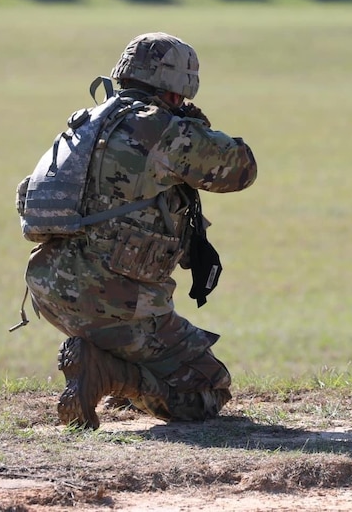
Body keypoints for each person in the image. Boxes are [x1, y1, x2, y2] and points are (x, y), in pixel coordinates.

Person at [21, 32, 257, 430]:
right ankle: (109, 375)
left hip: (50, 290)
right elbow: (240, 169)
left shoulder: (86, 123)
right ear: (177, 89)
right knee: (207, 389)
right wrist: (196, 126)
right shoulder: (159, 129)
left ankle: (108, 366)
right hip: (116, 303)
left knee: (143, 341)